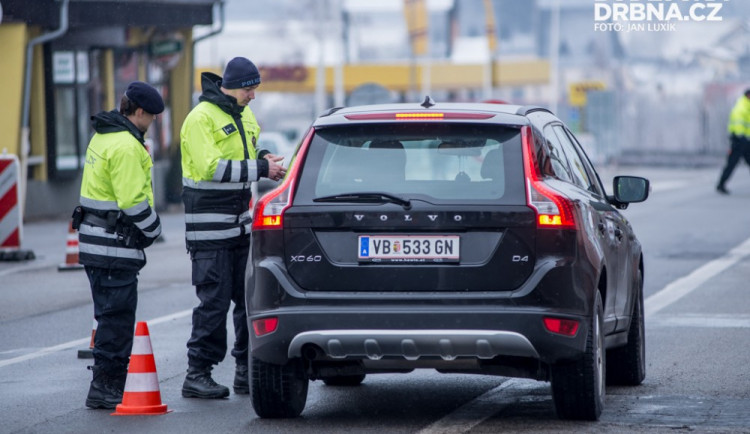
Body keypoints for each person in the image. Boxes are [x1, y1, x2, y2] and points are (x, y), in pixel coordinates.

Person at [179, 57, 286, 399]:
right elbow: (211, 168)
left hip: (239, 226)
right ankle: (198, 373)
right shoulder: (200, 119)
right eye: (249, 89)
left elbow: (249, 149)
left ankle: (244, 369)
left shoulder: (243, 114)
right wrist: (260, 169)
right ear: (232, 86)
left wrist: (265, 157)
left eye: (255, 89)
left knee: (246, 301)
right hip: (209, 230)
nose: (253, 96)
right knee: (213, 303)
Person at [77, 81, 164, 409]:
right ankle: (106, 386)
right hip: (114, 245)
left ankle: (106, 382)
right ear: (139, 112)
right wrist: (154, 229)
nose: (153, 121)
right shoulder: (127, 146)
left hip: (97, 244)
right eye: (152, 116)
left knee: (108, 314)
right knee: (117, 317)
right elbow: (131, 201)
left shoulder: (103, 136)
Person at [716, 89, 750, 194]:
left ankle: (721, 184)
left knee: (732, 163)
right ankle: (721, 184)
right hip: (740, 141)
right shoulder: (742, 107)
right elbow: (738, 124)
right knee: (732, 163)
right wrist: (741, 137)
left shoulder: (746, 106)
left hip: (745, 141)